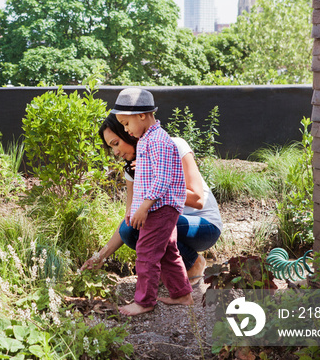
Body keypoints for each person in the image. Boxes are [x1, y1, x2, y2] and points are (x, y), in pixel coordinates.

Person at [81, 113, 222, 285]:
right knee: (130, 229)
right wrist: (100, 257)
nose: (116, 152)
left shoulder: (173, 145)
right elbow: (130, 219)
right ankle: (177, 269)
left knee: (149, 223)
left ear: (128, 133)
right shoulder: (131, 169)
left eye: (116, 143)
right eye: (111, 148)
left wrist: (155, 179)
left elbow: (198, 199)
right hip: (167, 225)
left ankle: (193, 262)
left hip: (203, 226)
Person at [99, 88, 193, 316]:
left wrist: (143, 207)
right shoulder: (147, 140)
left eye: (126, 124)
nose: (127, 130)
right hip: (160, 208)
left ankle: (144, 301)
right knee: (168, 251)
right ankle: (182, 294)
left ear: (141, 115)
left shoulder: (158, 140)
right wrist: (134, 206)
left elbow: (162, 179)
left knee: (146, 252)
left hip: (160, 208)